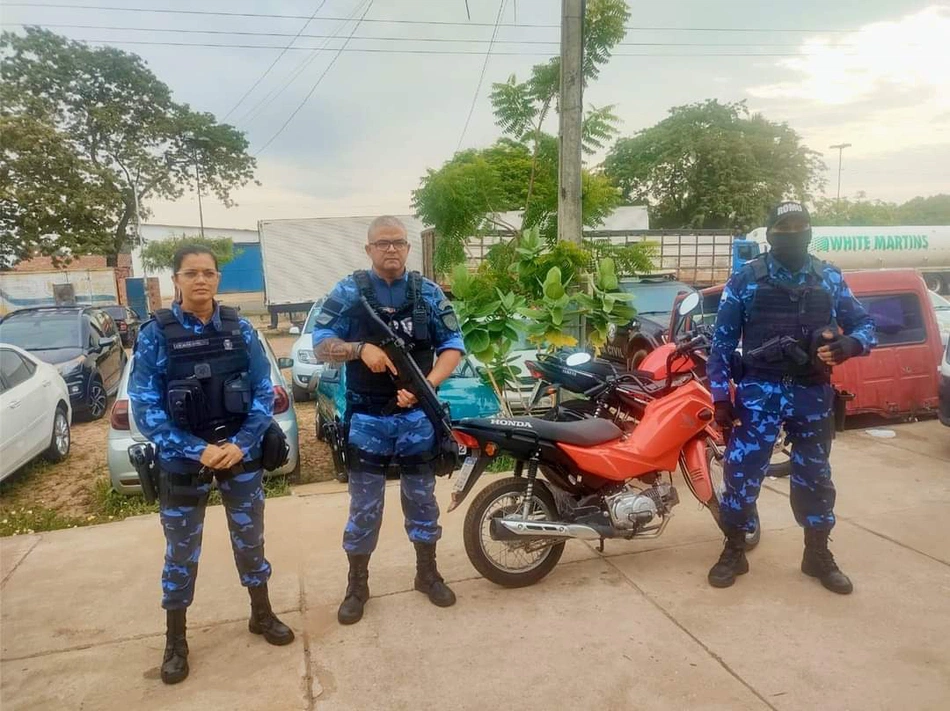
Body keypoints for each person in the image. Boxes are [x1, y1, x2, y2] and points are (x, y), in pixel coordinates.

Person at [129, 244, 294, 685]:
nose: (200, 280)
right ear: (176, 280)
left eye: (208, 273)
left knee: (250, 540)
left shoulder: (240, 330)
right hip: (184, 461)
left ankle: (261, 614)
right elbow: (144, 409)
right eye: (191, 273)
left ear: (217, 279)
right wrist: (196, 449)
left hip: (239, 456)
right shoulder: (155, 334)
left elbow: (264, 391)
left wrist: (241, 444)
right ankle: (176, 641)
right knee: (181, 552)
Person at [706, 201, 876, 594]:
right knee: (742, 473)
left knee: (815, 476)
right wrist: (720, 397)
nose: (794, 232)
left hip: (811, 394)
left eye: (801, 225)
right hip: (758, 394)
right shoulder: (746, 280)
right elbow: (721, 345)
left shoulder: (828, 278)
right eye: (786, 226)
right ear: (771, 233)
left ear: (809, 232)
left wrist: (851, 343)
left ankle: (816, 554)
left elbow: (865, 324)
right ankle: (734, 549)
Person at [312, 215, 465, 625]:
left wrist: (425, 385)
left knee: (421, 499)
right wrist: (359, 349)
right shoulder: (349, 292)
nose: (391, 249)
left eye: (398, 242)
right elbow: (321, 345)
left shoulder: (428, 293)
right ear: (369, 250)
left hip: (417, 416)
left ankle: (427, 574)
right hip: (367, 417)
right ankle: (358, 585)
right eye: (383, 243)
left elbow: (453, 345)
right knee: (365, 506)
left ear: (408, 248)